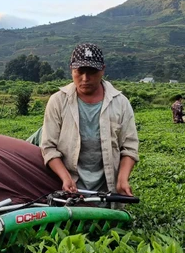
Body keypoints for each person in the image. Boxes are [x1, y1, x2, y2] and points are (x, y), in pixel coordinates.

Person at [41, 43, 139, 196]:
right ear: (72, 69)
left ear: (102, 70)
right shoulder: (58, 101)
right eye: (80, 71)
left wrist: (122, 179)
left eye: (92, 72)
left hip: (108, 190)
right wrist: (66, 178)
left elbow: (130, 147)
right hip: (68, 188)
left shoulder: (120, 103)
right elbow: (48, 147)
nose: (85, 78)